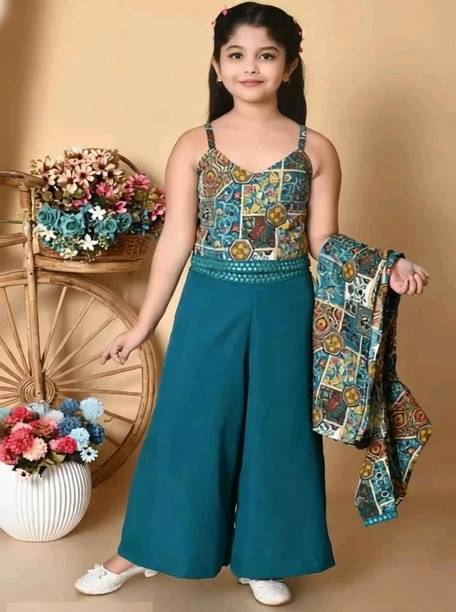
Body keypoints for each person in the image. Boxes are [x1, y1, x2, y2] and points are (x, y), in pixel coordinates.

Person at [74, 2, 430, 606]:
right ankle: (141, 551)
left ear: (289, 67)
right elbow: (176, 241)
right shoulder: (196, 145)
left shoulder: (316, 149)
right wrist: (142, 325)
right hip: (209, 302)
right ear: (217, 66)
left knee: (278, 430)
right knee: (189, 425)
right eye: (236, 55)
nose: (250, 67)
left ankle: (264, 556)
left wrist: (384, 266)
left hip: (286, 304)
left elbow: (323, 240)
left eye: (266, 56)